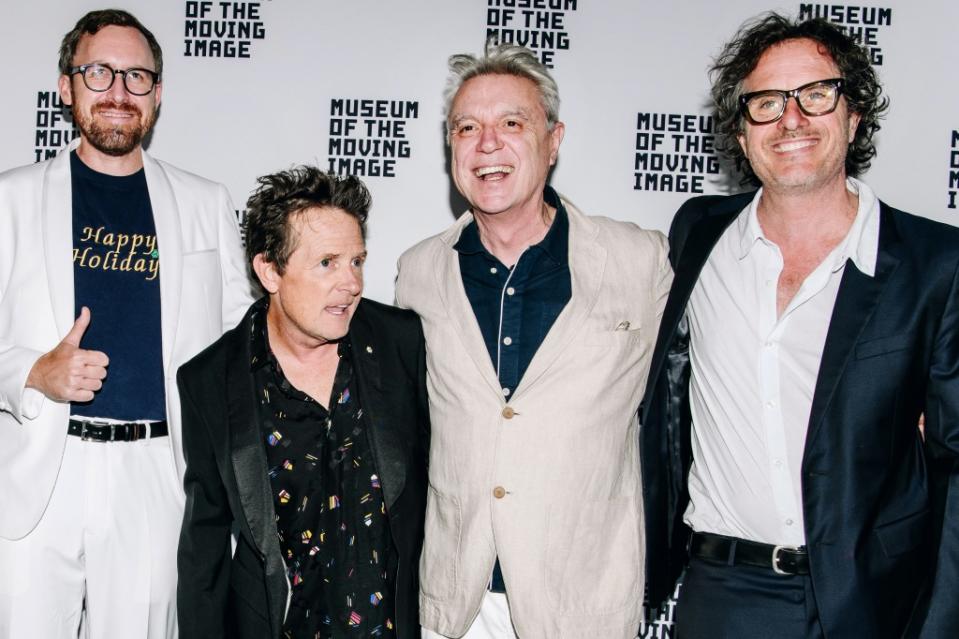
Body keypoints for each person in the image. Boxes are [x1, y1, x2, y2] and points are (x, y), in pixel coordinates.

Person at [640, 13, 959, 638]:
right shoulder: (698, 234)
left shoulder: (935, 265)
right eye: (765, 102)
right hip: (719, 596)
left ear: (854, 113)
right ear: (741, 130)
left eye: (816, 95)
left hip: (876, 602)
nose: (791, 119)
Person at [396, 42, 672, 639]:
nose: (486, 143)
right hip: (454, 602)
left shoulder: (638, 261)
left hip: (582, 604)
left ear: (554, 139)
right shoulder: (418, 272)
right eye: (466, 127)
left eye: (511, 124)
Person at [0, 9, 252, 638]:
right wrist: (34, 370)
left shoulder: (204, 203)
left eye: (137, 76)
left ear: (158, 94)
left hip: (156, 473)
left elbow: (239, 349)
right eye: (99, 72)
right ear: (67, 86)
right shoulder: (9, 199)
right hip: (40, 475)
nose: (118, 90)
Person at [177, 166, 429, 639]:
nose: (351, 283)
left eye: (357, 261)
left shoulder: (400, 344)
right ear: (269, 270)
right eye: (327, 263)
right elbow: (203, 548)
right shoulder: (210, 381)